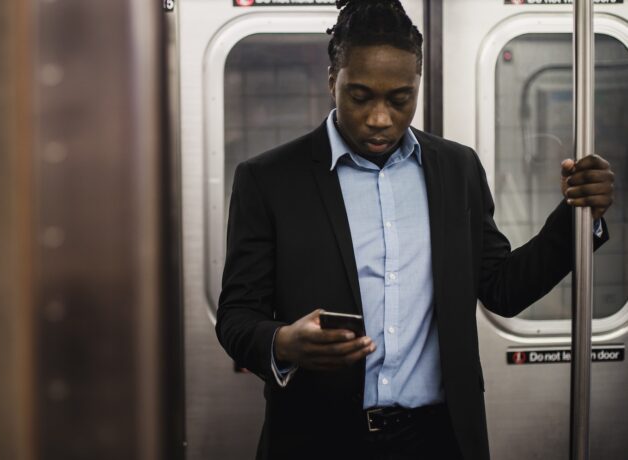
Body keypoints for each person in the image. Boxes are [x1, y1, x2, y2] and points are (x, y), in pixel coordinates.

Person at [215, 1, 615, 459]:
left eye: (400, 99)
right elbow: (236, 316)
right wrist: (283, 342)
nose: (380, 118)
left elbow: (501, 287)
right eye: (360, 96)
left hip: (437, 439)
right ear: (333, 81)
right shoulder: (269, 179)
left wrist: (579, 215)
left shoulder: (456, 168)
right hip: (318, 438)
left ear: (417, 87)